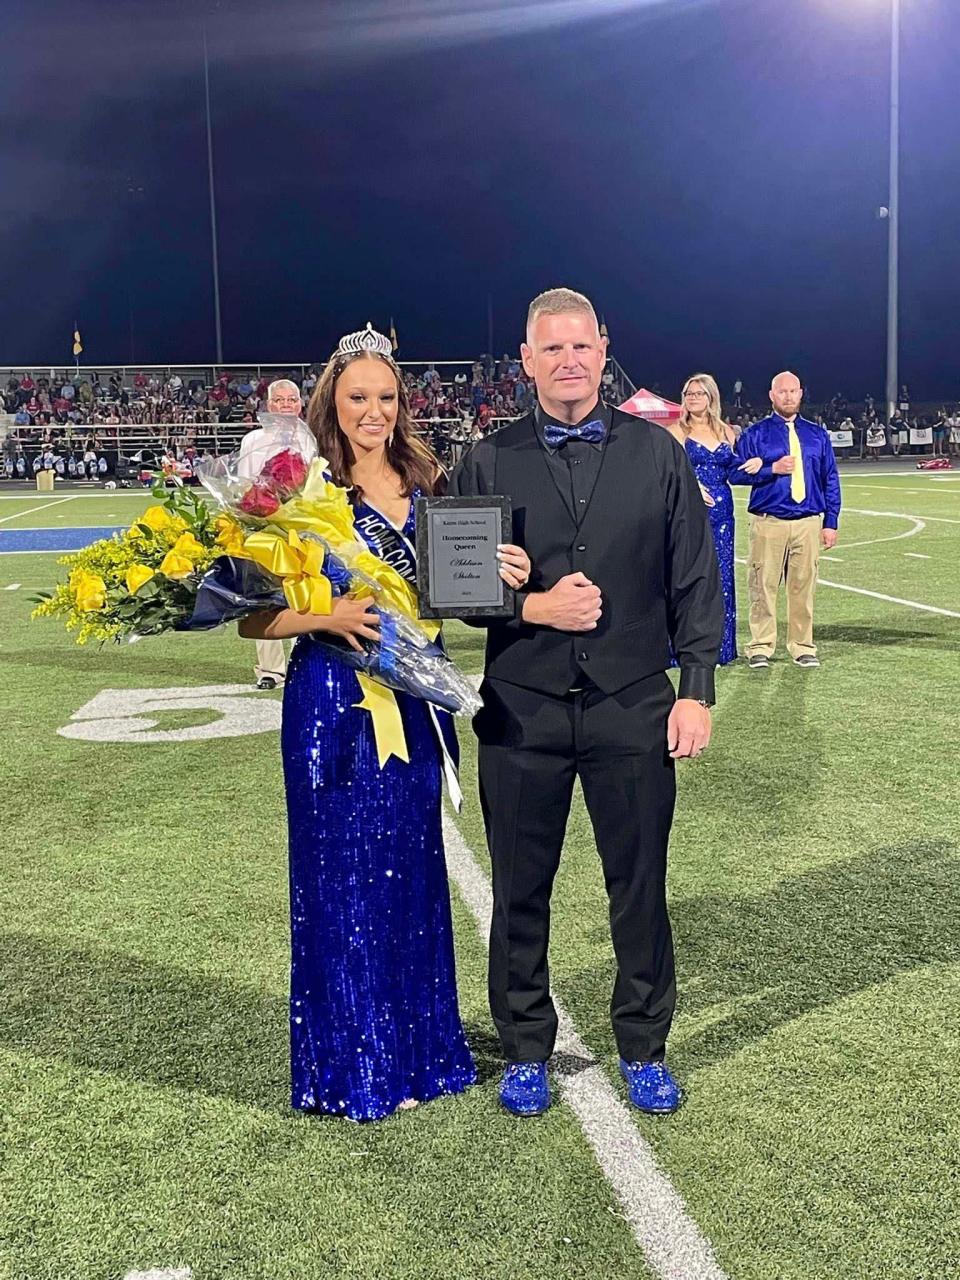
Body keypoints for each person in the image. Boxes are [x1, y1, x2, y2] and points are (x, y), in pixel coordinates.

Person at [240, 325, 529, 1122]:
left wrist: (501, 576)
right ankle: (351, 1066)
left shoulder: (426, 478)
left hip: (409, 701)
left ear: (403, 405)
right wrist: (324, 612)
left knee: (411, 872)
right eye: (359, 396)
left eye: (387, 397)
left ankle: (423, 1055)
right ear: (333, 396)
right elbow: (251, 620)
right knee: (340, 879)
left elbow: (453, 599)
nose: (373, 411)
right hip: (331, 706)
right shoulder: (298, 486)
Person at [450, 288, 723, 1117]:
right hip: (522, 707)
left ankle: (644, 1044)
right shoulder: (487, 457)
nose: (569, 361)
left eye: (581, 346)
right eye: (551, 349)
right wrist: (529, 606)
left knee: (639, 885)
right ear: (526, 361)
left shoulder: (659, 452)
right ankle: (525, 1045)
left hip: (634, 703)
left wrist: (698, 692)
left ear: (604, 350)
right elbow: (454, 586)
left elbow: (694, 578)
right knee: (519, 888)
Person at [730, 371, 841, 669]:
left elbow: (830, 478)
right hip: (769, 522)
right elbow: (734, 472)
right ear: (771, 395)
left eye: (793, 391)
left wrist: (831, 522)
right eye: (783, 391)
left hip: (807, 522)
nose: (789, 396)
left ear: (801, 393)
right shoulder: (755, 434)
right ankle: (761, 646)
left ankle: (802, 645)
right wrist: (771, 469)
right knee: (762, 586)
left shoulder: (817, 435)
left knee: (803, 588)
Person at [662, 374, 761, 665]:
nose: (693, 398)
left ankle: (722, 648)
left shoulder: (727, 432)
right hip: (687, 513)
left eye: (699, 394)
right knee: (686, 577)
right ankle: (681, 648)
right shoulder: (675, 432)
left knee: (721, 579)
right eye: (688, 393)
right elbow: (667, 474)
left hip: (722, 516)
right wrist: (692, 487)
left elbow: (734, 473)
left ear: (711, 398)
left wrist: (757, 465)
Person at [236, 380, 318, 690]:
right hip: (265, 524)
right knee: (264, 595)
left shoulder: (310, 437)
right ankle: (270, 670)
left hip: (304, 524)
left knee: (308, 591)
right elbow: (243, 484)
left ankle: (308, 659)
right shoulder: (254, 439)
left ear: (300, 404)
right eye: (279, 400)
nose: (285, 405)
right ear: (269, 405)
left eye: (291, 399)